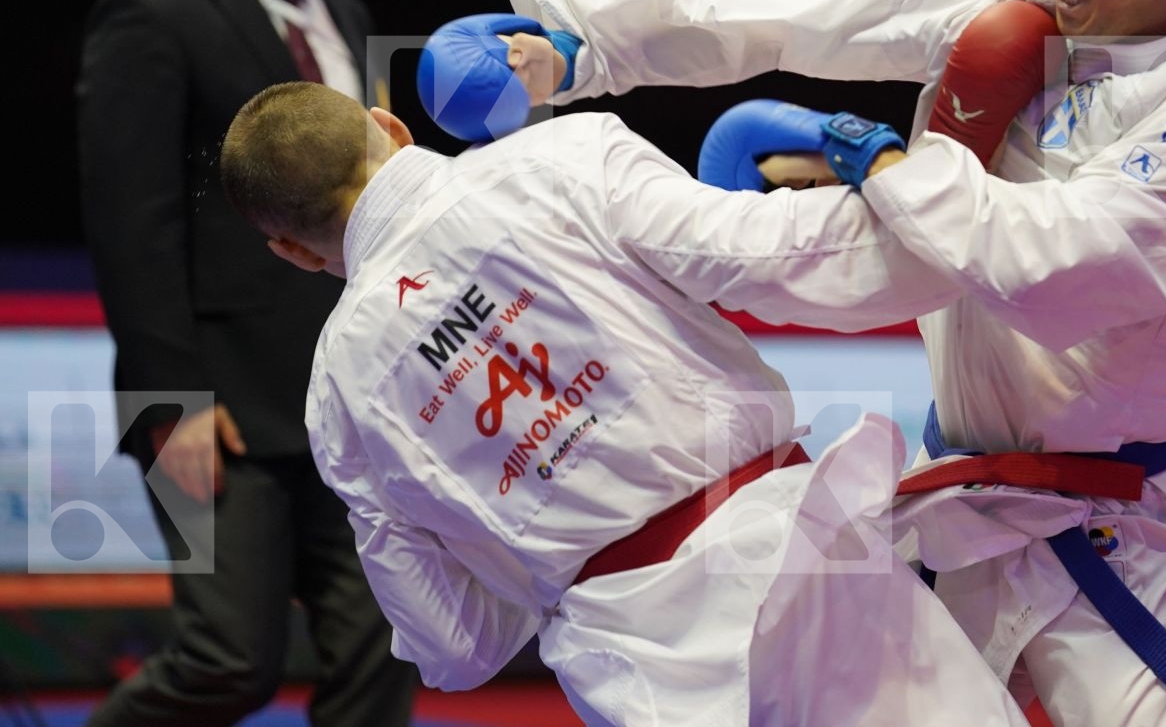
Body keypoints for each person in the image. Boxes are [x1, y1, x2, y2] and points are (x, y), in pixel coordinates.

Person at [491, 0, 1166, 725]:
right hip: (957, 500)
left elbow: (1045, 271)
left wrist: (884, 169)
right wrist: (590, 50)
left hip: (1106, 525)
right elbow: (797, 14)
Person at [216, 70, 1035, 726]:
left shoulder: (338, 401)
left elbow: (454, 649)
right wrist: (923, 195)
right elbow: (777, 263)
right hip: (801, 550)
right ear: (387, 126)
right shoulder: (563, 156)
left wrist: (536, 560)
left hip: (638, 667)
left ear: (289, 249)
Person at [76, 0, 417, 725]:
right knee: (228, 662)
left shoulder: (341, 12)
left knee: (384, 653)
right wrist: (167, 400)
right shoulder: (151, 8)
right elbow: (127, 218)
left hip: (349, 406)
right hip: (213, 406)